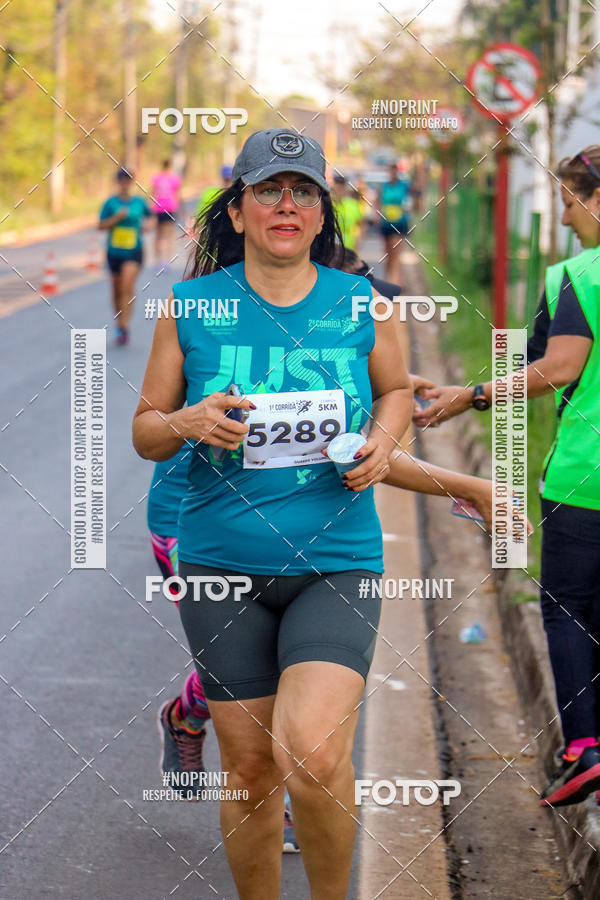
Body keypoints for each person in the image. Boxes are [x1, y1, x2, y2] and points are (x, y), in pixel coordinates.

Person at [133, 126, 413, 899]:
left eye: (303, 191)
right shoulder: (190, 307)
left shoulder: (363, 302)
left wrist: (384, 444)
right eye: (268, 190)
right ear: (239, 209)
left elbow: (395, 393)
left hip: (337, 558)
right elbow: (145, 432)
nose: (286, 204)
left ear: (323, 214)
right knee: (251, 769)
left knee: (315, 754)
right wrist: (188, 421)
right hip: (223, 564)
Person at [414, 146, 600, 807]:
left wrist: (472, 395)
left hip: (586, 479)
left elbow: (557, 369)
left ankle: (583, 748)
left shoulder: (580, 275)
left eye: (570, 203)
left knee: (568, 609)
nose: (565, 218)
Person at [148, 446, 301, 853]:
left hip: (293, 527)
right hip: (189, 525)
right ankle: (188, 721)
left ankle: (185, 717)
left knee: (298, 662)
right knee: (251, 663)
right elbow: (150, 426)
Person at [99, 167, 152, 345]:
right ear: (118, 181)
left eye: (128, 179)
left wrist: (147, 226)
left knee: (127, 287)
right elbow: (100, 226)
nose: (125, 183)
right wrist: (116, 218)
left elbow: (151, 217)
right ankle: (119, 323)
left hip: (134, 251)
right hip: (114, 252)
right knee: (116, 290)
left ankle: (125, 325)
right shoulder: (110, 203)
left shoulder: (139, 202)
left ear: (132, 182)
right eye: (122, 179)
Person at [378, 162, 411, 284]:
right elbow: (379, 201)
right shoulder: (384, 186)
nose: (392, 174)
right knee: (388, 254)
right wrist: (378, 215)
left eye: (393, 171)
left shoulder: (404, 186)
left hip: (399, 223)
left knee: (396, 252)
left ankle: (395, 281)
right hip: (386, 223)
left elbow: (411, 200)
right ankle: (388, 279)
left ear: (397, 172)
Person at [150, 159, 182, 272]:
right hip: (170, 208)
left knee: (158, 235)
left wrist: (151, 208)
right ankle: (167, 261)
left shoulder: (157, 178)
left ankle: (158, 260)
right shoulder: (174, 178)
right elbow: (177, 194)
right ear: (170, 166)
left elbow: (152, 193)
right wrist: (179, 209)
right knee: (169, 236)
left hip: (158, 208)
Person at [331, 174, 363, 252]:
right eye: (337, 188)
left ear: (345, 189)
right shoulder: (327, 205)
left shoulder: (353, 205)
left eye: (341, 188)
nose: (339, 191)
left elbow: (361, 224)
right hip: (330, 248)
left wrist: (358, 243)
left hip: (348, 249)